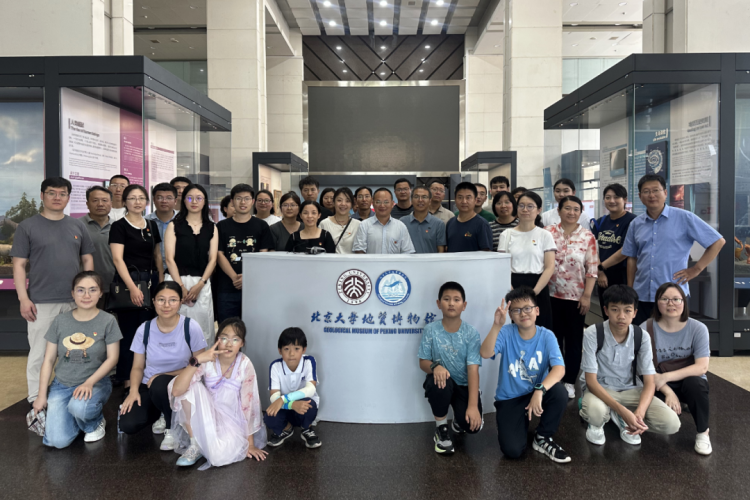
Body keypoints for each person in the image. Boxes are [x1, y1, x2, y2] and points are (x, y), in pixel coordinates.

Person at [11, 177, 95, 403]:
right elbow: (18, 265)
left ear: (68, 197)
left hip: (75, 302)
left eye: (62, 194)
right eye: (51, 193)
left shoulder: (78, 226)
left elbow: (87, 259)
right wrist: (23, 299)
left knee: (76, 352)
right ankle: (36, 399)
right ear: (42, 196)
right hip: (41, 301)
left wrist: (88, 292)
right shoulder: (27, 227)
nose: (57, 198)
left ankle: (71, 396)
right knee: (40, 353)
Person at [579, 285, 681, 446]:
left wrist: (639, 413)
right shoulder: (593, 333)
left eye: (627, 310)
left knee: (671, 424)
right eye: (615, 310)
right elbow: (590, 381)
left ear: (634, 312)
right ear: (606, 310)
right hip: (601, 389)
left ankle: (622, 417)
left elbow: (649, 381)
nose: (621, 316)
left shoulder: (641, 336)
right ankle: (602, 420)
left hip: (632, 390)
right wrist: (622, 410)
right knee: (595, 413)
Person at [479, 287, 570, 463]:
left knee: (559, 392)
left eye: (527, 308)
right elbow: (485, 353)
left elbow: (559, 369)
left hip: (537, 391)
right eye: (517, 310)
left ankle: (542, 437)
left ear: (537, 310)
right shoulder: (506, 332)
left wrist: (539, 390)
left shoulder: (547, 336)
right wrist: (497, 325)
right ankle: (513, 423)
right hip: (510, 398)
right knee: (512, 450)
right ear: (511, 315)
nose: (523, 313)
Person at [32, 271, 121, 448]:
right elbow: (48, 360)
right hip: (62, 385)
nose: (86, 295)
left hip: (95, 383)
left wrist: (89, 383)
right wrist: (41, 395)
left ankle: (94, 423)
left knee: (79, 407)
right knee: (56, 442)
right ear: (73, 293)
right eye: (81, 290)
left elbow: (113, 358)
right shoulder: (60, 321)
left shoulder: (108, 320)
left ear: (100, 293)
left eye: (92, 290)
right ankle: (76, 416)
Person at [623, 174, 725, 325]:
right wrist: (631, 290)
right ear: (640, 196)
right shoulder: (636, 224)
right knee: (641, 336)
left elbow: (718, 241)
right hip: (642, 295)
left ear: (665, 193)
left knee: (672, 337)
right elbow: (631, 258)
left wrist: (696, 269)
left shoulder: (684, 217)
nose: (651, 195)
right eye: (646, 191)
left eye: (656, 190)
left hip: (673, 298)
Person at [119, 282, 208, 450]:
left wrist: (163, 376)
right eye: (161, 300)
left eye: (173, 300)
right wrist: (133, 391)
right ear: (153, 301)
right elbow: (137, 367)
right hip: (149, 384)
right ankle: (161, 411)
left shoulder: (190, 327)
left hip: (180, 383)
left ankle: (171, 428)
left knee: (160, 384)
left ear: (180, 302)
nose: (166, 305)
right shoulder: (144, 329)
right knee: (128, 424)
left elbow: (199, 364)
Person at [169, 317, 267, 467]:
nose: (229, 344)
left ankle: (205, 445)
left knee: (218, 457)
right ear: (217, 340)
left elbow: (249, 405)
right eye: (224, 338)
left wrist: (250, 444)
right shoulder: (208, 360)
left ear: (242, 343)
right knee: (189, 387)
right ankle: (195, 445)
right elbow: (177, 391)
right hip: (208, 415)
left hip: (232, 422)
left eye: (235, 339)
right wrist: (198, 359)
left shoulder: (245, 364)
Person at [642, 283, 712, 455]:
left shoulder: (698, 328)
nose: (671, 303)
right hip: (658, 383)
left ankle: (703, 433)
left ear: (684, 302)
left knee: (696, 385)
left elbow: (702, 367)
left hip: (687, 380)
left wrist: (666, 377)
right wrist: (668, 391)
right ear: (657, 303)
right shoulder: (646, 329)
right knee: (661, 415)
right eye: (665, 299)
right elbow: (644, 368)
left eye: (676, 299)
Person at [418, 282, 483, 455]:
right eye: (446, 299)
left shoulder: (471, 333)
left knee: (472, 427)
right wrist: (435, 366)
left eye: (456, 300)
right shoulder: (431, 329)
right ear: (439, 303)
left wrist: (473, 405)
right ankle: (441, 429)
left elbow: (473, 369)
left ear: (464, 305)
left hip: (463, 385)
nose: (451, 303)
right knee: (438, 383)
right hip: (442, 382)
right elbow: (423, 362)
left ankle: (458, 421)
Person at [109, 184, 164, 386]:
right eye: (132, 198)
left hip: (151, 282)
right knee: (130, 333)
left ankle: (147, 378)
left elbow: (157, 255)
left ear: (146, 202)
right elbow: (117, 259)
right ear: (124, 202)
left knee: (150, 331)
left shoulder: (152, 225)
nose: (137, 202)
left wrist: (161, 282)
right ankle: (127, 381)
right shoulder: (119, 226)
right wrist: (132, 287)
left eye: (141, 198)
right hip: (129, 284)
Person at [545, 195, 599, 399]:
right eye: (567, 208)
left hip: (576, 298)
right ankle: (554, 378)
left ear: (581, 213)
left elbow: (592, 269)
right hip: (549, 296)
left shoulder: (587, 236)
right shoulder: (547, 232)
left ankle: (569, 381)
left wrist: (587, 296)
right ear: (559, 211)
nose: (571, 212)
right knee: (553, 339)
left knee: (574, 341)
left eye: (576, 209)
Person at [164, 183, 219, 345]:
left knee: (202, 327)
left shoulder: (212, 227)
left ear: (205, 201)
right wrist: (180, 286)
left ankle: (202, 360)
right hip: (175, 281)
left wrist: (201, 284)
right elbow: (169, 259)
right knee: (175, 325)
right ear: (184, 201)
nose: (194, 202)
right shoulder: (174, 225)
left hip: (201, 282)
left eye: (198, 198)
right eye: (189, 198)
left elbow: (213, 259)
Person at [497, 191, 555, 331]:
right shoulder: (506, 234)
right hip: (512, 285)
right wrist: (513, 292)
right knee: (514, 328)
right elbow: (501, 267)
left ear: (539, 210)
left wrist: (534, 292)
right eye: (521, 205)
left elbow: (549, 267)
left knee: (540, 328)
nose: (525, 210)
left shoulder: (545, 235)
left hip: (538, 286)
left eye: (530, 206)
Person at [215, 184, 273, 323]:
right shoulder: (221, 226)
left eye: (246, 198)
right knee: (227, 328)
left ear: (252, 201)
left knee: (254, 329)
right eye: (238, 198)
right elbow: (219, 254)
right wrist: (235, 277)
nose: (243, 202)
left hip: (254, 287)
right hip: (227, 288)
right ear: (232, 201)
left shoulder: (261, 226)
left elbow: (263, 255)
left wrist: (247, 277)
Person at [264, 327, 322, 449]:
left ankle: (306, 429)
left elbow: (311, 389)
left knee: (310, 404)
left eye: (296, 349)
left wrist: (283, 399)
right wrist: (291, 404)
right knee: (269, 417)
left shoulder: (309, 361)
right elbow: (274, 397)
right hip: (285, 407)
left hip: (301, 406)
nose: (291, 354)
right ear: (280, 351)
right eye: (286, 349)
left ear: (304, 349)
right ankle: (287, 428)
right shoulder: (275, 366)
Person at [592, 183, 637, 321]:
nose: (612, 201)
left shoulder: (633, 221)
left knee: (623, 315)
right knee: (607, 313)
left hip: (623, 275)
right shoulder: (601, 221)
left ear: (625, 199)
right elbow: (592, 247)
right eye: (608, 197)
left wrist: (601, 267)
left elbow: (626, 250)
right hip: (603, 276)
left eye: (616, 197)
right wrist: (600, 272)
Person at [352, 188, 415, 254]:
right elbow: (359, 251)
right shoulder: (364, 225)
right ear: (373, 204)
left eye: (386, 202)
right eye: (378, 202)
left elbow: (407, 252)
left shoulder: (401, 226)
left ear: (392, 204)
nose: (382, 205)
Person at [81, 186, 115, 307]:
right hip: (86, 288)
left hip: (115, 287)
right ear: (87, 204)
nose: (100, 204)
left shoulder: (118, 226)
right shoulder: (77, 226)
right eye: (95, 200)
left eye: (105, 200)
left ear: (111, 203)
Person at [445, 182, 493, 253]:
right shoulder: (450, 223)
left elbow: (487, 252)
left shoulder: (482, 224)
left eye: (468, 197)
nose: (464, 201)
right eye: (460, 197)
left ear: (475, 200)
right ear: (455, 199)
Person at [402, 185, 447, 253]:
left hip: (431, 260)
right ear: (411, 200)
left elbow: (441, 251)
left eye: (424, 197)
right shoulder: (403, 222)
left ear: (430, 201)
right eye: (416, 197)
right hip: (408, 260)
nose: (420, 200)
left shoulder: (438, 224)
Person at [319, 187, 361, 254]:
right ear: (334, 202)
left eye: (347, 201)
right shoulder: (324, 224)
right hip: (330, 260)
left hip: (351, 261)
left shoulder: (358, 225)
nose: (343, 204)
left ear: (352, 204)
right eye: (339, 200)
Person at [146, 182, 178, 265]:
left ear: (175, 201)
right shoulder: (145, 221)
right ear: (154, 200)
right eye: (159, 198)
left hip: (178, 268)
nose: (164, 201)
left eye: (169, 198)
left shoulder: (183, 221)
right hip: (151, 268)